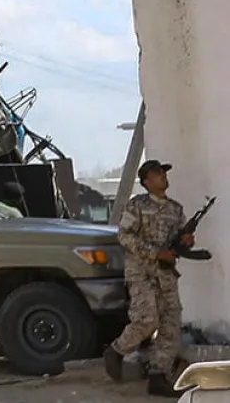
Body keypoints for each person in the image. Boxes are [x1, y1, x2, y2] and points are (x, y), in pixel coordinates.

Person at [103, 159, 194, 397]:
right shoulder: (137, 206)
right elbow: (124, 236)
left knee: (170, 326)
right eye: (157, 173)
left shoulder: (175, 209)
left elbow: (181, 238)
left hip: (166, 275)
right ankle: (116, 350)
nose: (163, 176)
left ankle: (159, 376)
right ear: (146, 182)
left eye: (164, 172)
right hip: (141, 274)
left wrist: (186, 241)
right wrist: (155, 253)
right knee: (147, 319)